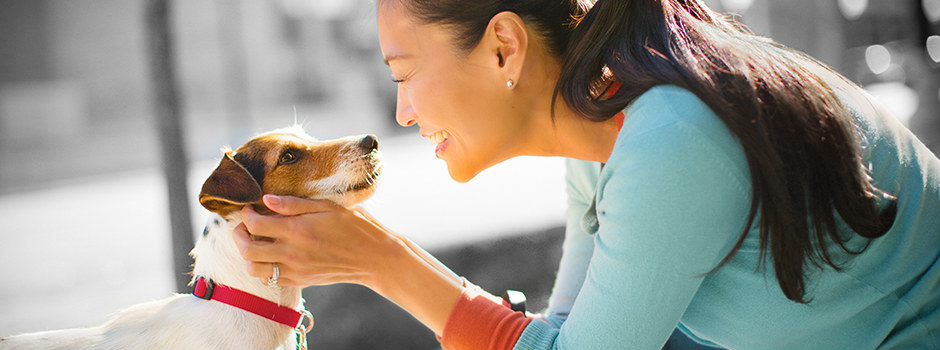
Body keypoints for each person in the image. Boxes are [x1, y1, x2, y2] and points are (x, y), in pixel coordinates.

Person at [233, 0, 940, 349]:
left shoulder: (670, 142)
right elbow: (563, 339)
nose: (404, 111)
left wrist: (382, 263)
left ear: (504, 48)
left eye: (405, 74)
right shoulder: (604, 142)